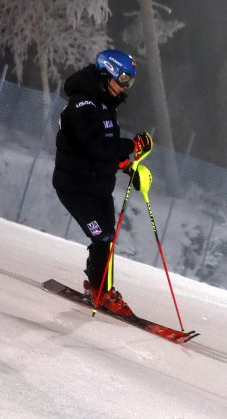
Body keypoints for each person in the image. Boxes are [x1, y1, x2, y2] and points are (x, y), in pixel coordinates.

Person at [52, 49, 152, 316]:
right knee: (102, 234)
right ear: (106, 72)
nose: (124, 87)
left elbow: (106, 149)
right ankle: (101, 291)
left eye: (129, 82)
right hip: (75, 187)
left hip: (97, 185)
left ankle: (98, 287)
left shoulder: (106, 104)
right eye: (122, 79)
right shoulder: (83, 104)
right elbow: (96, 146)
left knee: (106, 237)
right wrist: (131, 145)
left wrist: (128, 167)